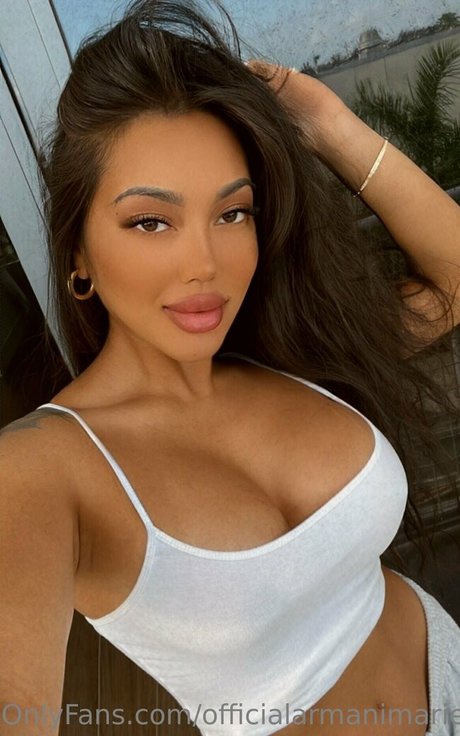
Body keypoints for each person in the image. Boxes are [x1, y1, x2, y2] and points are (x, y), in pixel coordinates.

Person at [1, 0, 459, 734]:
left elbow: (453, 281)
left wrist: (327, 125)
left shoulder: (292, 355)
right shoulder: (42, 472)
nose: (205, 263)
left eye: (232, 212)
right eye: (150, 221)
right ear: (78, 254)